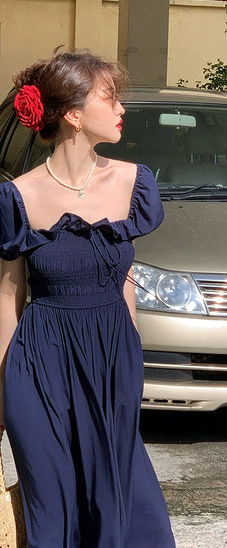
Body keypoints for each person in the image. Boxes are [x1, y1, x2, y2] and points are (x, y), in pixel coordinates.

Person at [0, 50, 176, 547]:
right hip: (38, 366)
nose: (122, 108)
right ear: (73, 115)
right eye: (109, 97)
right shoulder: (18, 197)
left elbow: (124, 278)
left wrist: (132, 354)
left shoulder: (133, 183)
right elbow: (9, 297)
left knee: (114, 496)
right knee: (50, 503)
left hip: (111, 358)